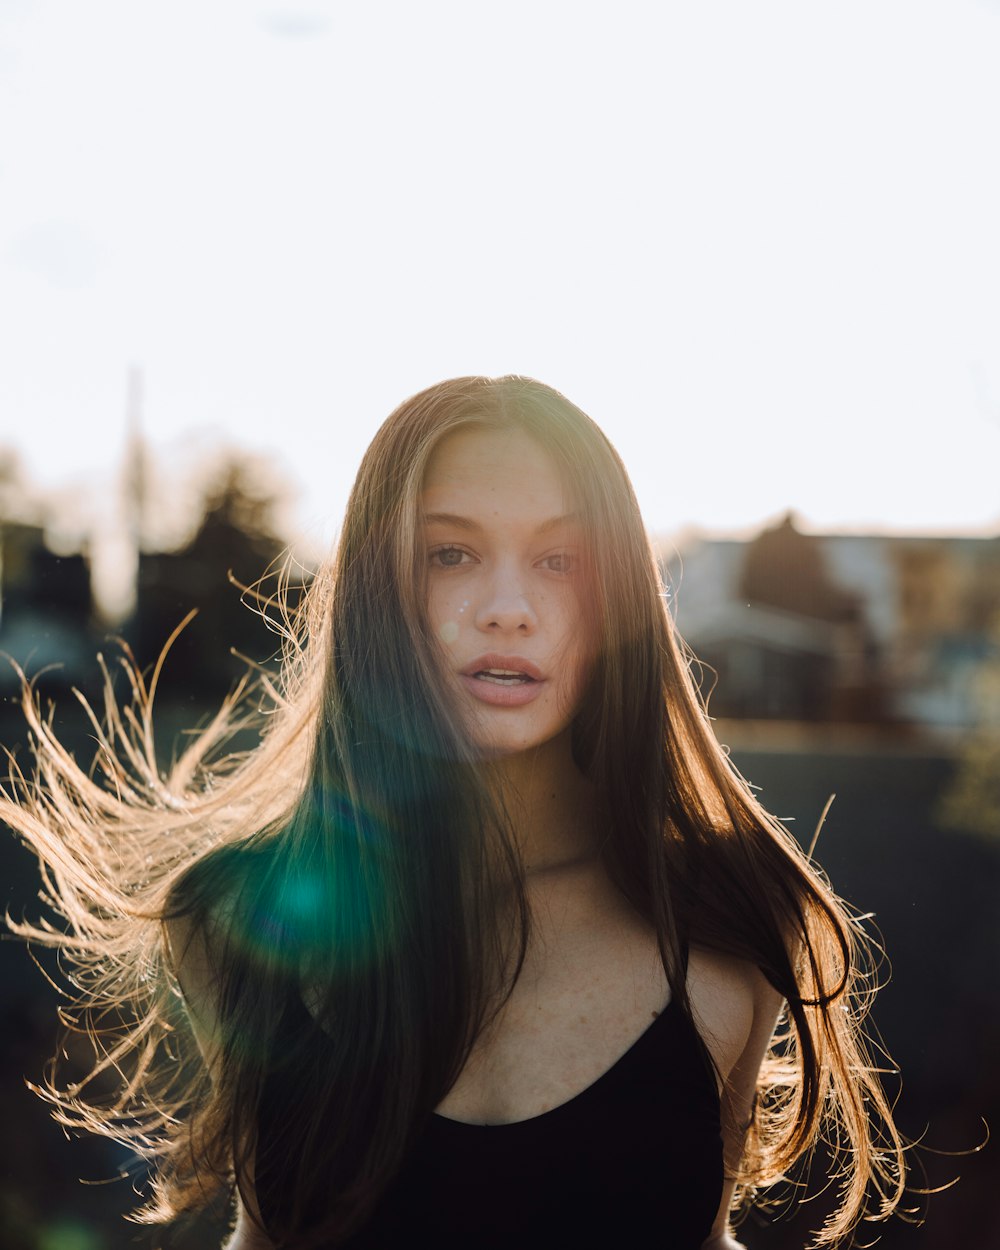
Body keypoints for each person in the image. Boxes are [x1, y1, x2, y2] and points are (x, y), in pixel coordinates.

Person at [3, 376, 905, 1248]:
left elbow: (706, 1237)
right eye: (451, 554)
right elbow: (267, 1235)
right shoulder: (237, 917)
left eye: (561, 561)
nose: (508, 610)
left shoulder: (727, 921)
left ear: (618, 597)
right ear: (377, 589)